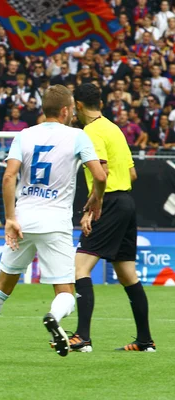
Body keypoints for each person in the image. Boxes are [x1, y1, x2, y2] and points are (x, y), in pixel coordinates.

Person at [0, 85, 107, 362]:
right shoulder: (77, 136)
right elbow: (100, 176)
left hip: (24, 220)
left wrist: (9, 218)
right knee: (66, 291)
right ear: (66, 110)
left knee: (2, 285)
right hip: (55, 223)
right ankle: (53, 318)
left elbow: (9, 177)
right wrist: (97, 200)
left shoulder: (25, 134)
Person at [70, 83, 156, 352]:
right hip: (127, 203)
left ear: (79, 106)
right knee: (127, 273)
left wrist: (91, 207)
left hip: (109, 202)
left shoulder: (91, 132)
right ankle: (145, 341)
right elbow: (132, 174)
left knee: (79, 269)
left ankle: (82, 337)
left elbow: (101, 173)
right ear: (101, 104)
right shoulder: (114, 128)